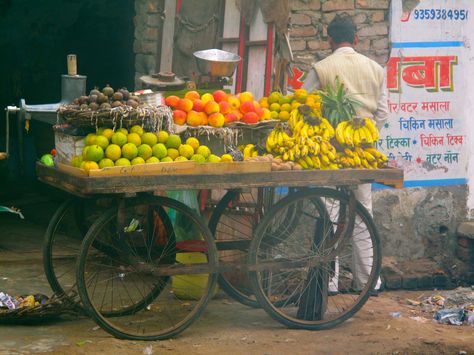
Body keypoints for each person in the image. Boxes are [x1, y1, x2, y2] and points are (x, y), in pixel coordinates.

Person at [303, 14, 388, 294]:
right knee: (363, 214)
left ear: (329, 40)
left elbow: (303, 105)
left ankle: (329, 282)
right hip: (363, 152)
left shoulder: (322, 67)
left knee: (329, 211)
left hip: (329, 151)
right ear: (356, 39)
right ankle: (368, 282)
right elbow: (383, 112)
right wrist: (362, 134)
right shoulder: (375, 68)